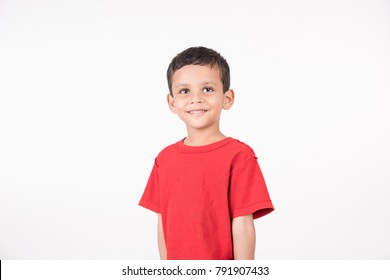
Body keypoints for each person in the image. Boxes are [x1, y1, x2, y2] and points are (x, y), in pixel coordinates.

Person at [139, 46, 274, 260]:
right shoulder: (164, 159)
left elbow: (242, 224)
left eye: (208, 89)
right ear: (172, 102)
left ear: (227, 98)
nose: (196, 99)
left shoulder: (239, 156)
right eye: (185, 91)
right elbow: (162, 222)